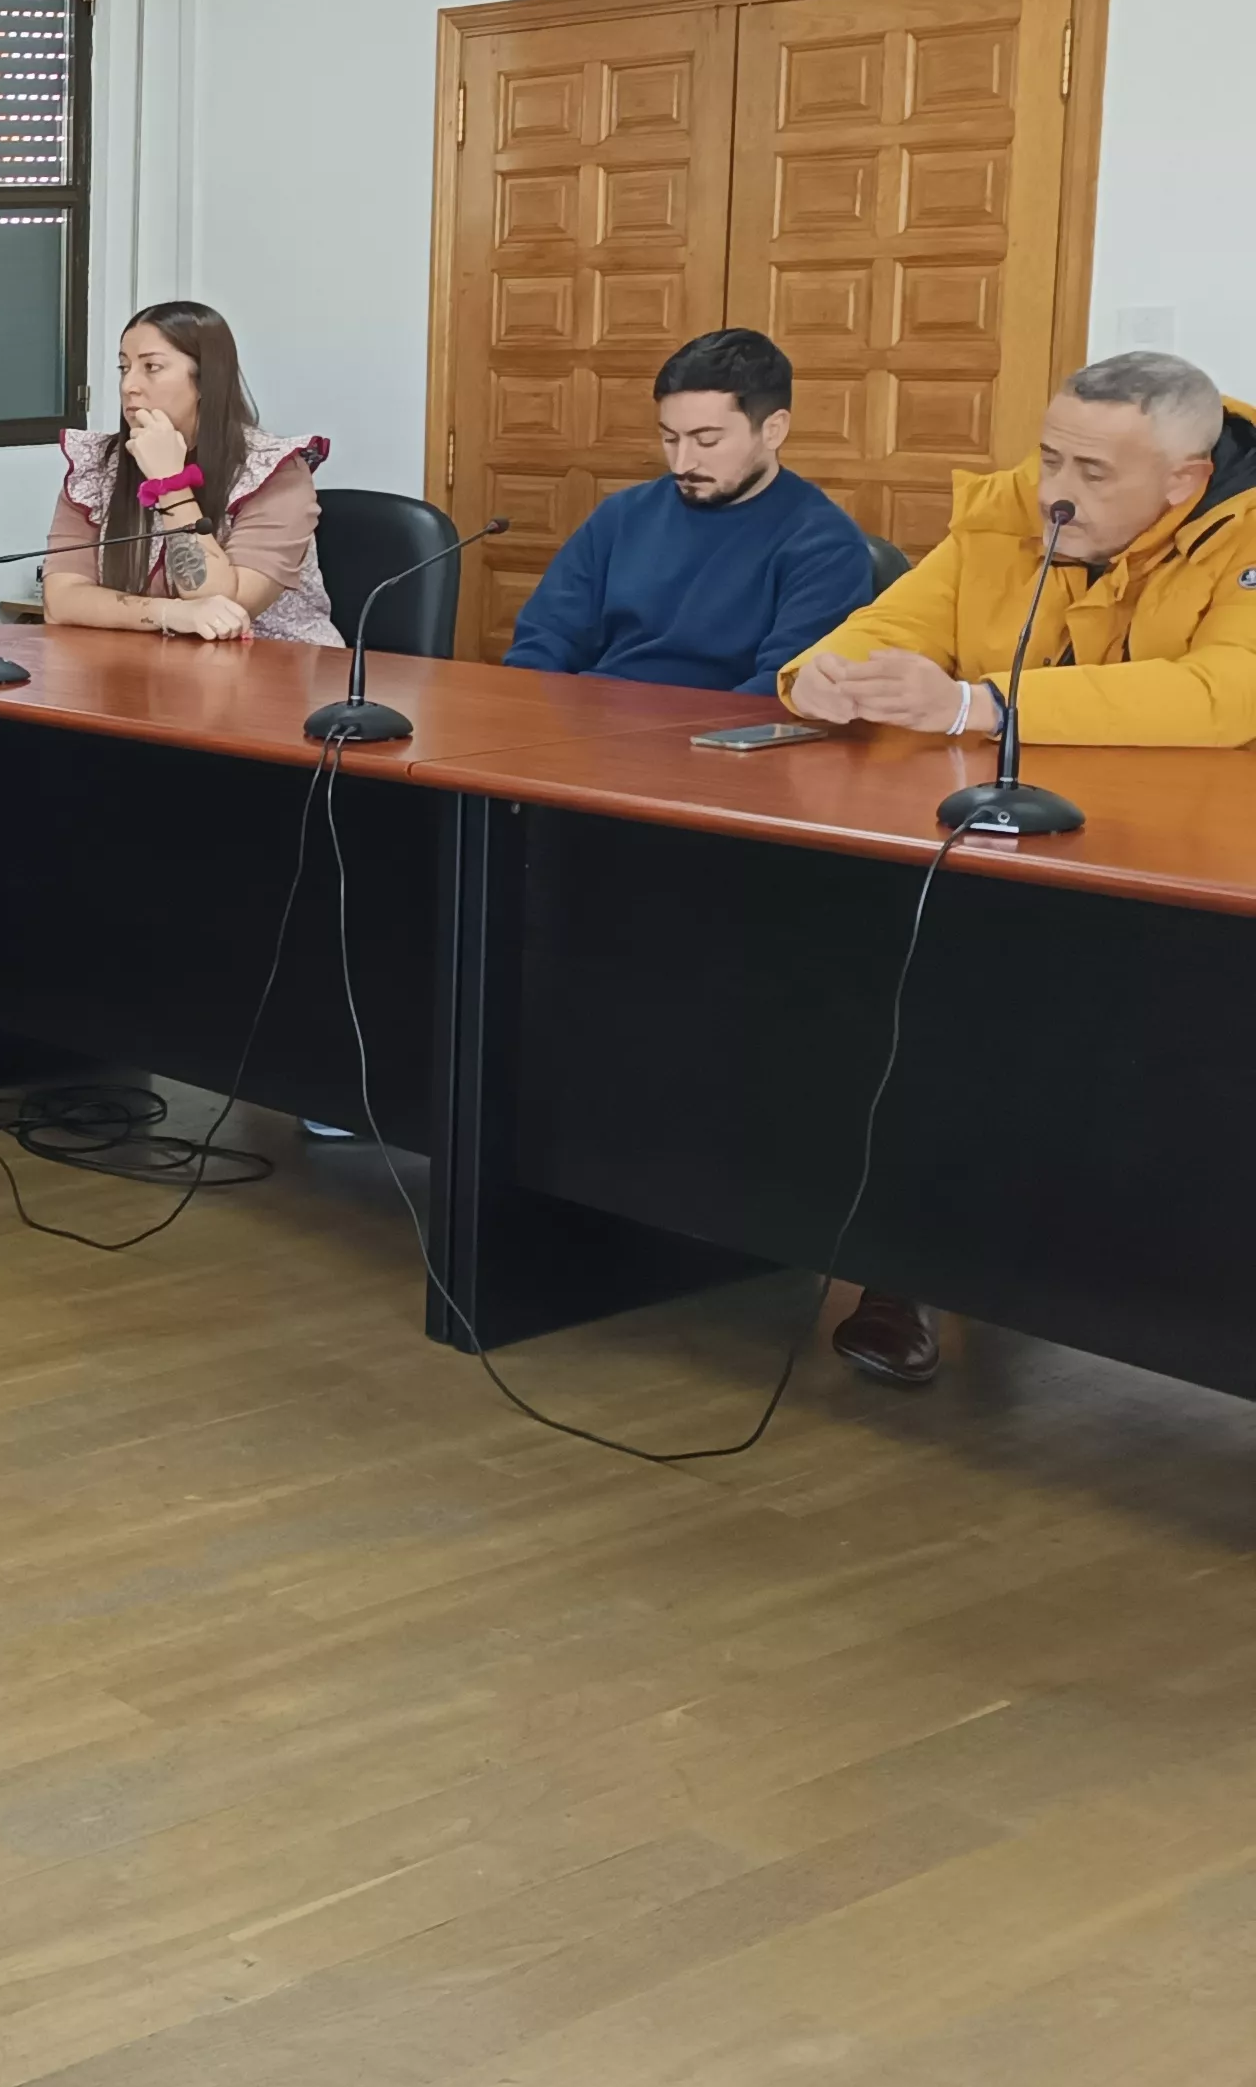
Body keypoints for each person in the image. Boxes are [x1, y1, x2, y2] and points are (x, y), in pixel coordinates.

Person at [779, 348, 1256, 1386]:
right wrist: (823, 676)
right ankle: (903, 1270)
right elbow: (891, 627)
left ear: (1183, 481)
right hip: (1014, 836)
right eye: (1049, 458)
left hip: (1201, 856)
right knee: (915, 996)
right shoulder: (1010, 511)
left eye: (1091, 474)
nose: (1055, 492)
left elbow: (1226, 694)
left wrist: (981, 703)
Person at [502, 326, 877, 690]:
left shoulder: (824, 544)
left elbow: (783, 690)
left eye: (707, 441)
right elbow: (543, 642)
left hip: (716, 740)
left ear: (773, 429)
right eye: (669, 438)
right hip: (590, 730)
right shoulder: (621, 516)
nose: (682, 464)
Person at [43, 302, 336, 644]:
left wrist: (169, 481)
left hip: (275, 671)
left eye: (151, 367)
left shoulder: (275, 471)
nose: (129, 386)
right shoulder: (97, 465)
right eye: (124, 368)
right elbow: (60, 600)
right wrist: (168, 614)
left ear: (205, 380)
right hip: (155, 666)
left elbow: (225, 610)